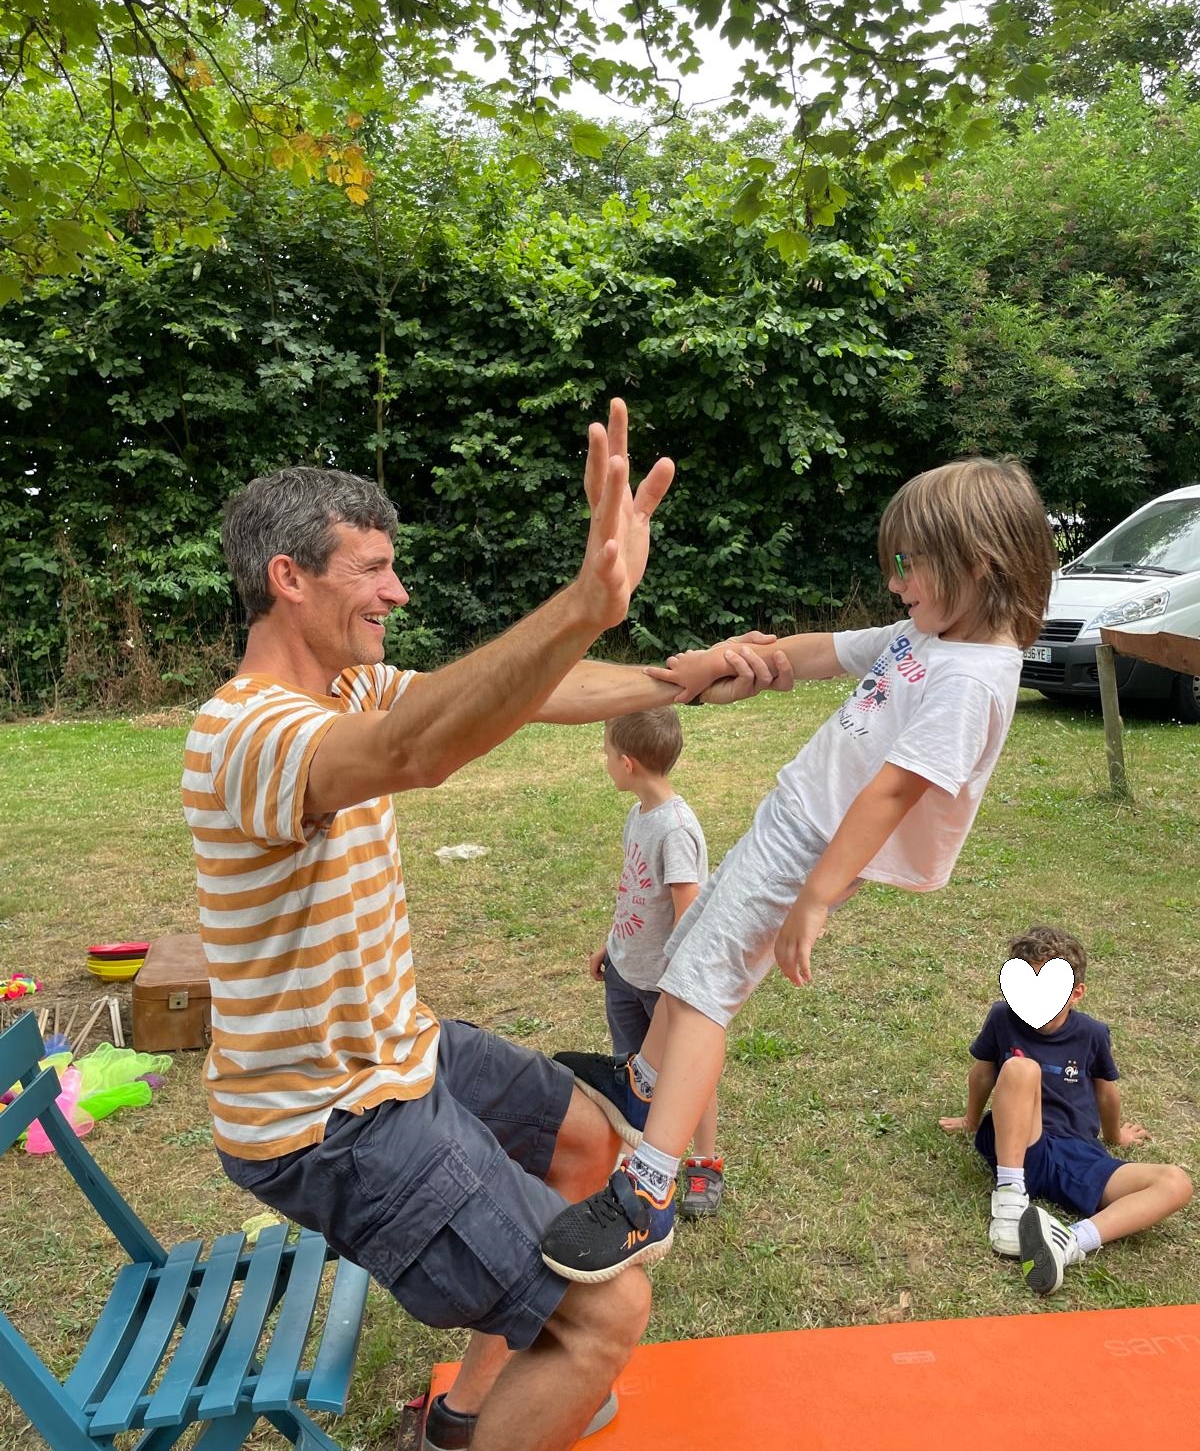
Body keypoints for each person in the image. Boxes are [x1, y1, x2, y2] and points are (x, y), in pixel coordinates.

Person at [181, 401, 791, 1451]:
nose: (397, 591)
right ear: (289, 577)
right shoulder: (246, 731)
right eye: (373, 569)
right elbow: (417, 750)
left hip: (397, 1051)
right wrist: (584, 603)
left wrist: (679, 677)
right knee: (610, 1313)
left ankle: (465, 1417)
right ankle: (520, 1393)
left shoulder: (351, 686)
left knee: (590, 1141)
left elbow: (532, 690)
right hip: (329, 1119)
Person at [540, 456, 1059, 1284]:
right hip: (793, 819)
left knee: (705, 988)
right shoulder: (934, 634)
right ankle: (641, 1081)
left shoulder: (974, 677)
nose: (894, 583)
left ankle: (648, 1190)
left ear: (978, 563)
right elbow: (828, 652)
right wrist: (736, 665)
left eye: (908, 564)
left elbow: (896, 790)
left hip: (814, 847)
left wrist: (817, 893)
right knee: (692, 952)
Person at [939, 923, 1193, 1295]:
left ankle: (1068, 1242)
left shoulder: (1092, 1034)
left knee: (1175, 1182)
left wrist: (1115, 1136)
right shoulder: (1002, 1017)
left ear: (1076, 993)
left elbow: (1106, 1094)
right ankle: (1010, 1200)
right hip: (1020, 1143)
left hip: (1078, 1155)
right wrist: (971, 1119)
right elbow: (982, 1074)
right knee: (1021, 1068)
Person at [589, 707, 724, 1218]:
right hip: (626, 973)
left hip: (665, 987)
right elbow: (635, 891)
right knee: (632, 1074)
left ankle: (704, 1163)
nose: (604, 761)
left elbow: (688, 914)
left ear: (627, 764)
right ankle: (642, 1159)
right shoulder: (639, 815)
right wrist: (612, 943)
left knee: (686, 1075)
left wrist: (675, 987)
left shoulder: (675, 830)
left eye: (606, 753)